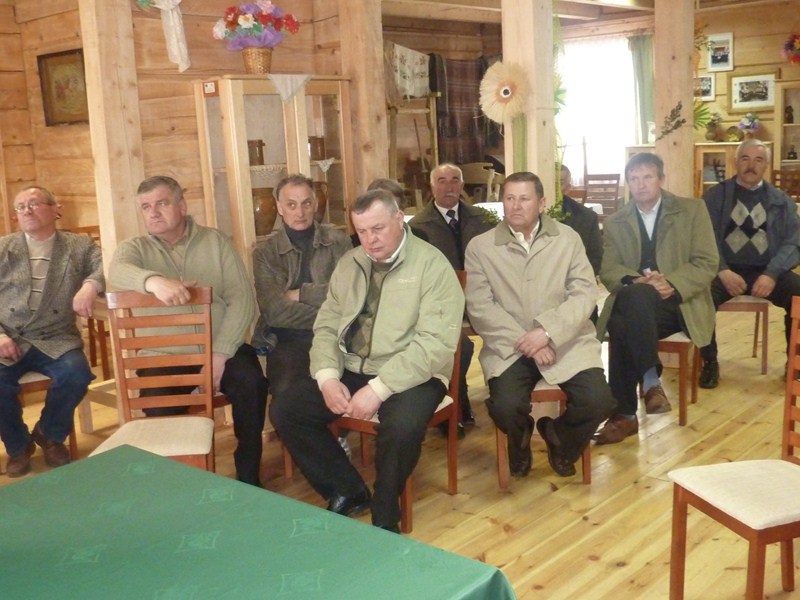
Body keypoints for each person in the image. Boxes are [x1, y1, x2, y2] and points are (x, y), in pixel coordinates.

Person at [270, 188, 464, 533]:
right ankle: (348, 490)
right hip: (354, 366)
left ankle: (385, 509)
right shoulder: (350, 264)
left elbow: (434, 344)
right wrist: (328, 377)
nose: (370, 240)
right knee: (287, 409)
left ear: (399, 219)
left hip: (415, 373)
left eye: (378, 228)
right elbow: (327, 325)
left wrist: (379, 389)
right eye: (361, 231)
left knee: (401, 426)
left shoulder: (432, 266)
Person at [109, 175, 268, 487]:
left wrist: (220, 354)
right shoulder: (134, 249)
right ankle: (177, 483)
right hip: (164, 355)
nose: (154, 212)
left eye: (162, 203)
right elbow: (117, 271)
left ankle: (248, 476)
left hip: (221, 346)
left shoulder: (215, 242)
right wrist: (154, 282)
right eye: (146, 207)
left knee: (252, 384)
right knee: (158, 410)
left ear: (181, 206)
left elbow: (243, 299)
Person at [465, 171, 615, 477]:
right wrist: (530, 342)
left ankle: (560, 437)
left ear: (542, 203)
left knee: (599, 402)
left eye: (524, 199)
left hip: (567, 342)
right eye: (509, 198)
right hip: (510, 347)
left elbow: (584, 293)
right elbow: (480, 307)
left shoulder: (568, 239)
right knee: (505, 407)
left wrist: (547, 332)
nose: (515, 206)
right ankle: (519, 441)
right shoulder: (480, 247)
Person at [595, 153, 718, 444]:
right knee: (632, 303)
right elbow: (608, 269)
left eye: (647, 177)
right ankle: (650, 384)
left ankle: (625, 414)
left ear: (661, 179)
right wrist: (635, 280)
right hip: (638, 303)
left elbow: (707, 262)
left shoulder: (691, 210)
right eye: (634, 179)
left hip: (680, 304)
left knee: (623, 319)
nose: (641, 184)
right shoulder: (616, 221)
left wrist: (671, 283)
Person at [0, 186, 104, 476]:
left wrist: (90, 285)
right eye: (20, 207)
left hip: (56, 337)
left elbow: (104, 266)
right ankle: (18, 446)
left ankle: (49, 433)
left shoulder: (77, 246)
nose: (26, 210)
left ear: (56, 209)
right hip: (9, 336)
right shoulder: (3, 247)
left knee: (77, 374)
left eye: (33, 203)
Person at [699, 139, 800, 388]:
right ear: (736, 161)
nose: (751, 165)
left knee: (799, 294)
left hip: (766, 271)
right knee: (699, 296)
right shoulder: (716, 196)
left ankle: (795, 364)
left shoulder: (781, 201)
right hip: (725, 270)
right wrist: (722, 270)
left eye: (758, 160)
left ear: (766, 165)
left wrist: (772, 273)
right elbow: (702, 238)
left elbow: (794, 242)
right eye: (745, 158)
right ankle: (709, 362)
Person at [408, 163, 493, 430]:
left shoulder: (482, 219)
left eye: (454, 180)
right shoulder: (418, 226)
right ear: (432, 187)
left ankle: (502, 392)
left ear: (462, 185)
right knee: (457, 346)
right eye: (442, 181)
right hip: (442, 304)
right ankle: (457, 396)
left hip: (481, 296)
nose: (449, 187)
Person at [252, 174, 351, 396]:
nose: (300, 212)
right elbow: (275, 312)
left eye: (306, 203)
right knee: (287, 397)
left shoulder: (339, 242)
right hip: (288, 339)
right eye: (291, 205)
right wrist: (331, 310)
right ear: (280, 208)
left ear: (315, 204)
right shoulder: (266, 253)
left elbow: (348, 295)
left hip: (337, 337)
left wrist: (301, 294)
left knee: (346, 387)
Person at [559, 164, 603, 277]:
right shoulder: (529, 216)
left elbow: (595, 258)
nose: (553, 188)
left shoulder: (585, 217)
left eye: (559, 183)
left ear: (568, 188)